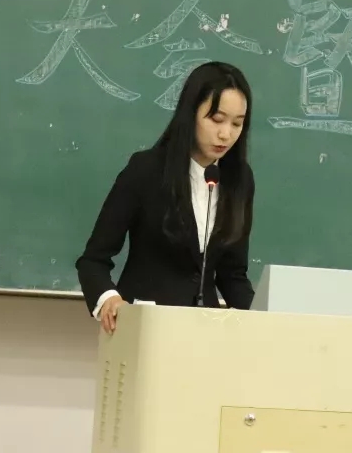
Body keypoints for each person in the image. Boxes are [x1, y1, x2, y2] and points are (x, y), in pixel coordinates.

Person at [76, 61, 256, 333]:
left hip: (205, 334)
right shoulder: (146, 170)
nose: (226, 134)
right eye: (216, 120)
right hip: (144, 329)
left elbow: (233, 275)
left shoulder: (239, 179)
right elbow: (93, 262)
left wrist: (267, 322)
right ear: (191, 113)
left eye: (237, 124)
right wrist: (109, 299)